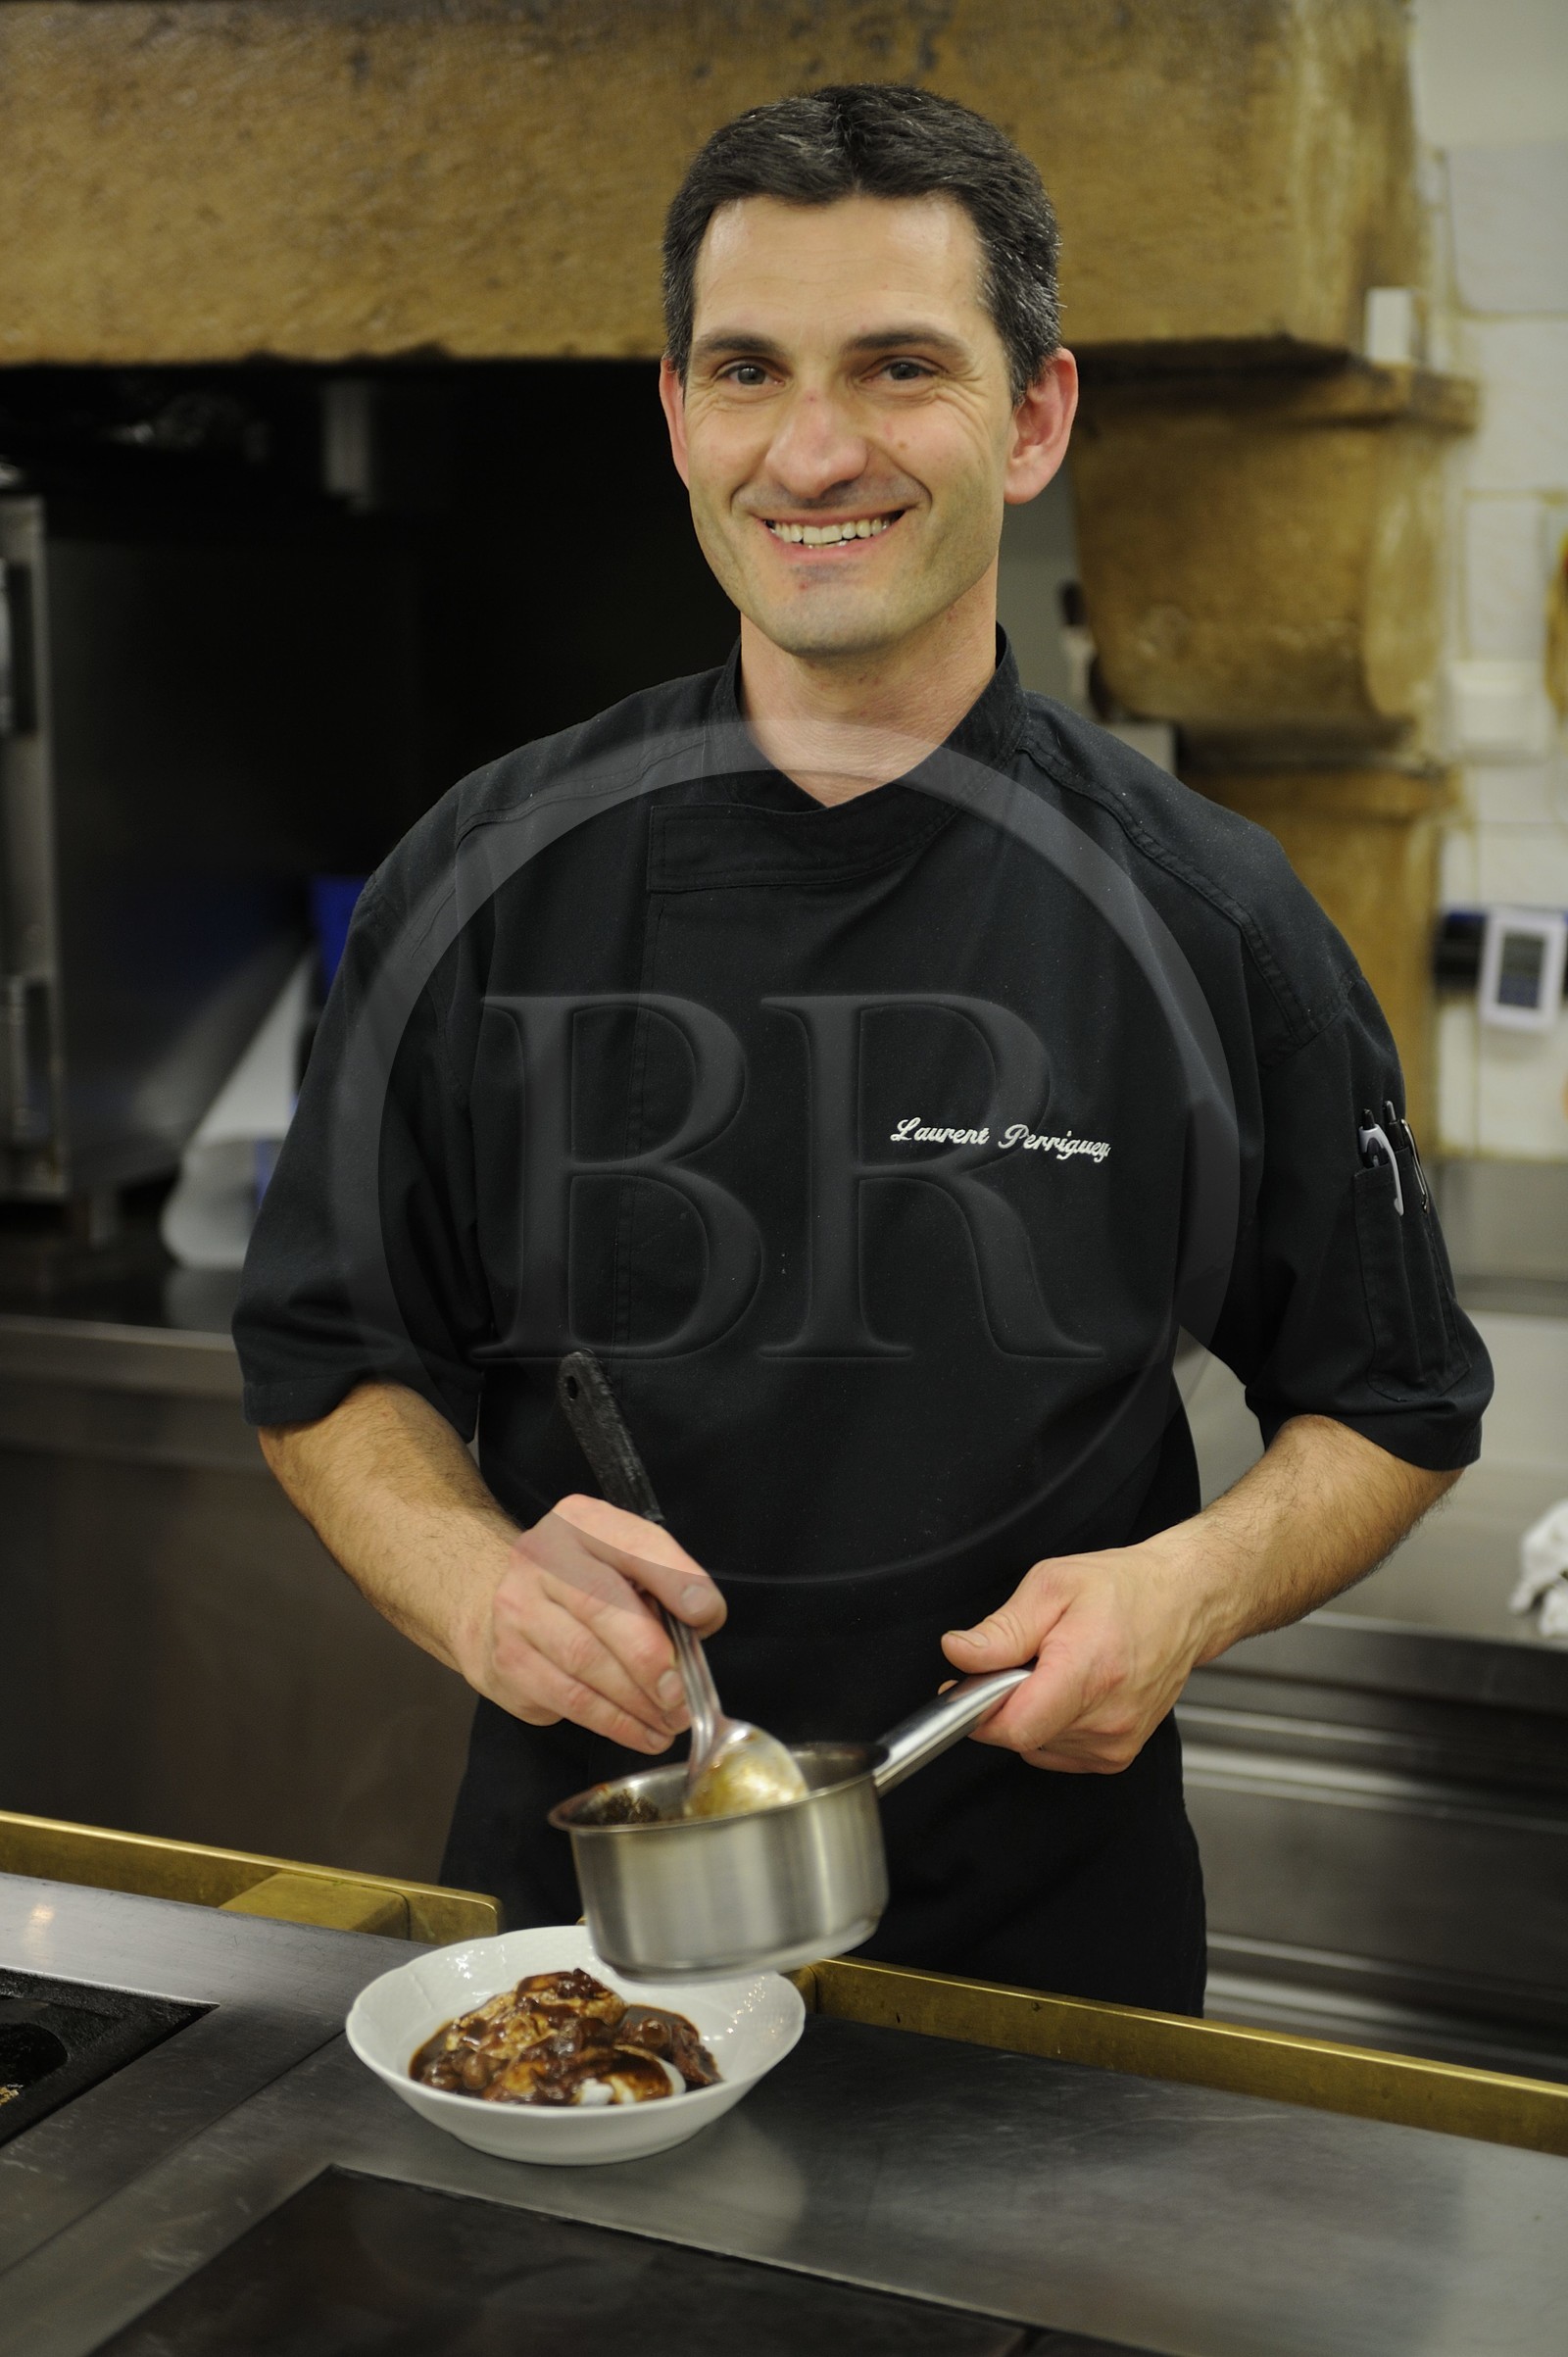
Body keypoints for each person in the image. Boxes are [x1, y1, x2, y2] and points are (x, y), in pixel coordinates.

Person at [235, 84, 1491, 2012]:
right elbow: (328, 1361)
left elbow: (1393, 1403)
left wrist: (1187, 1586)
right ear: (679, 417)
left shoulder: (1210, 921)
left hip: (1047, 1983)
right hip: (586, 1954)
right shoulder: (483, 883)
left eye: (899, 368)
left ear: (1035, 418)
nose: (812, 451)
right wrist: (477, 1582)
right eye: (749, 372)